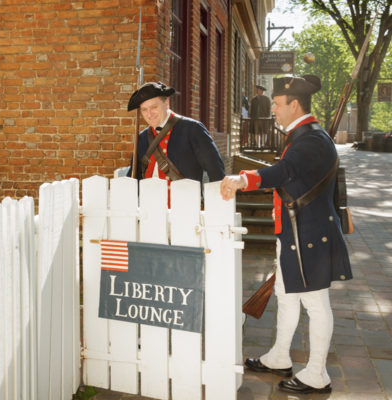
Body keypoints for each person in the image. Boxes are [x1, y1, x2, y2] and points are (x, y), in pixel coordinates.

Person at [220, 75, 352, 395]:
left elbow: (283, 172)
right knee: (285, 293)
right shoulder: (303, 135)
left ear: (294, 104)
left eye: (278, 105)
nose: (274, 110)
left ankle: (317, 374)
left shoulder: (311, 140)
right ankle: (280, 356)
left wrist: (243, 179)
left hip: (308, 233)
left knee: (315, 304)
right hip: (294, 231)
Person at [126, 81, 225, 183]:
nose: (149, 114)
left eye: (154, 107)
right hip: (149, 198)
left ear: (167, 103)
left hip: (184, 198)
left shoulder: (193, 129)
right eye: (144, 110)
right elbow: (133, 178)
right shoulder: (142, 138)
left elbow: (216, 172)